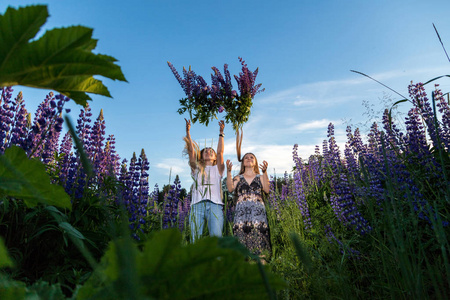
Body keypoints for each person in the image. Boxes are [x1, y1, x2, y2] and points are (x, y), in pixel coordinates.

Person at [184, 118, 225, 242]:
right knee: (195, 239)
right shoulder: (196, 168)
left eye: (211, 151)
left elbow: (220, 152)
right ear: (201, 155)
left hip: (215, 205)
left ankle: (217, 261)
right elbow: (191, 151)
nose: (209, 152)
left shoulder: (218, 169)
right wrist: (188, 133)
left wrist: (221, 133)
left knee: (216, 239)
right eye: (206, 151)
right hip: (197, 205)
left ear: (214, 157)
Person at [226, 152, 271, 262]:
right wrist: (228, 172)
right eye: (246, 157)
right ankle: (244, 269)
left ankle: (262, 268)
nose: (249, 158)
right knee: (241, 238)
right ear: (243, 163)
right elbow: (230, 189)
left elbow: (267, 189)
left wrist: (265, 172)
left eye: (252, 157)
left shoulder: (260, 177)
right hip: (242, 214)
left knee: (259, 236)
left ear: (255, 162)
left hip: (258, 213)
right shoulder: (238, 177)